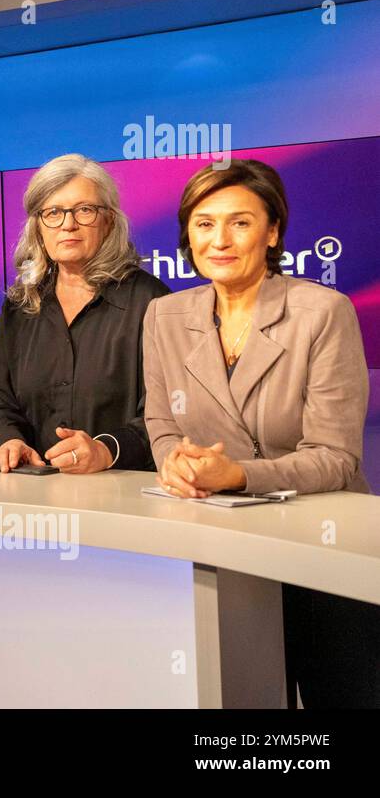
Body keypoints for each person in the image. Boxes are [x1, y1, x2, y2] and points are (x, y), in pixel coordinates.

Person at [143, 157, 374, 707]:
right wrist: (173, 459)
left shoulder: (322, 312)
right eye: (204, 223)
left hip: (323, 550)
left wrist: (239, 475)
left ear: (272, 232)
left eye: (240, 222)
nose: (219, 239)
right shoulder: (163, 316)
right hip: (220, 547)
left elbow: (336, 457)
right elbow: (161, 421)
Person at [0, 153, 169, 474]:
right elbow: (0, 407)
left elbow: (166, 415)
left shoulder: (152, 303)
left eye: (84, 210)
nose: (68, 224)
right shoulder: (19, 307)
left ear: (108, 220)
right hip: (37, 497)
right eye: (53, 212)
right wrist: (10, 441)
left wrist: (106, 449)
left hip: (126, 496)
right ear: (38, 227)